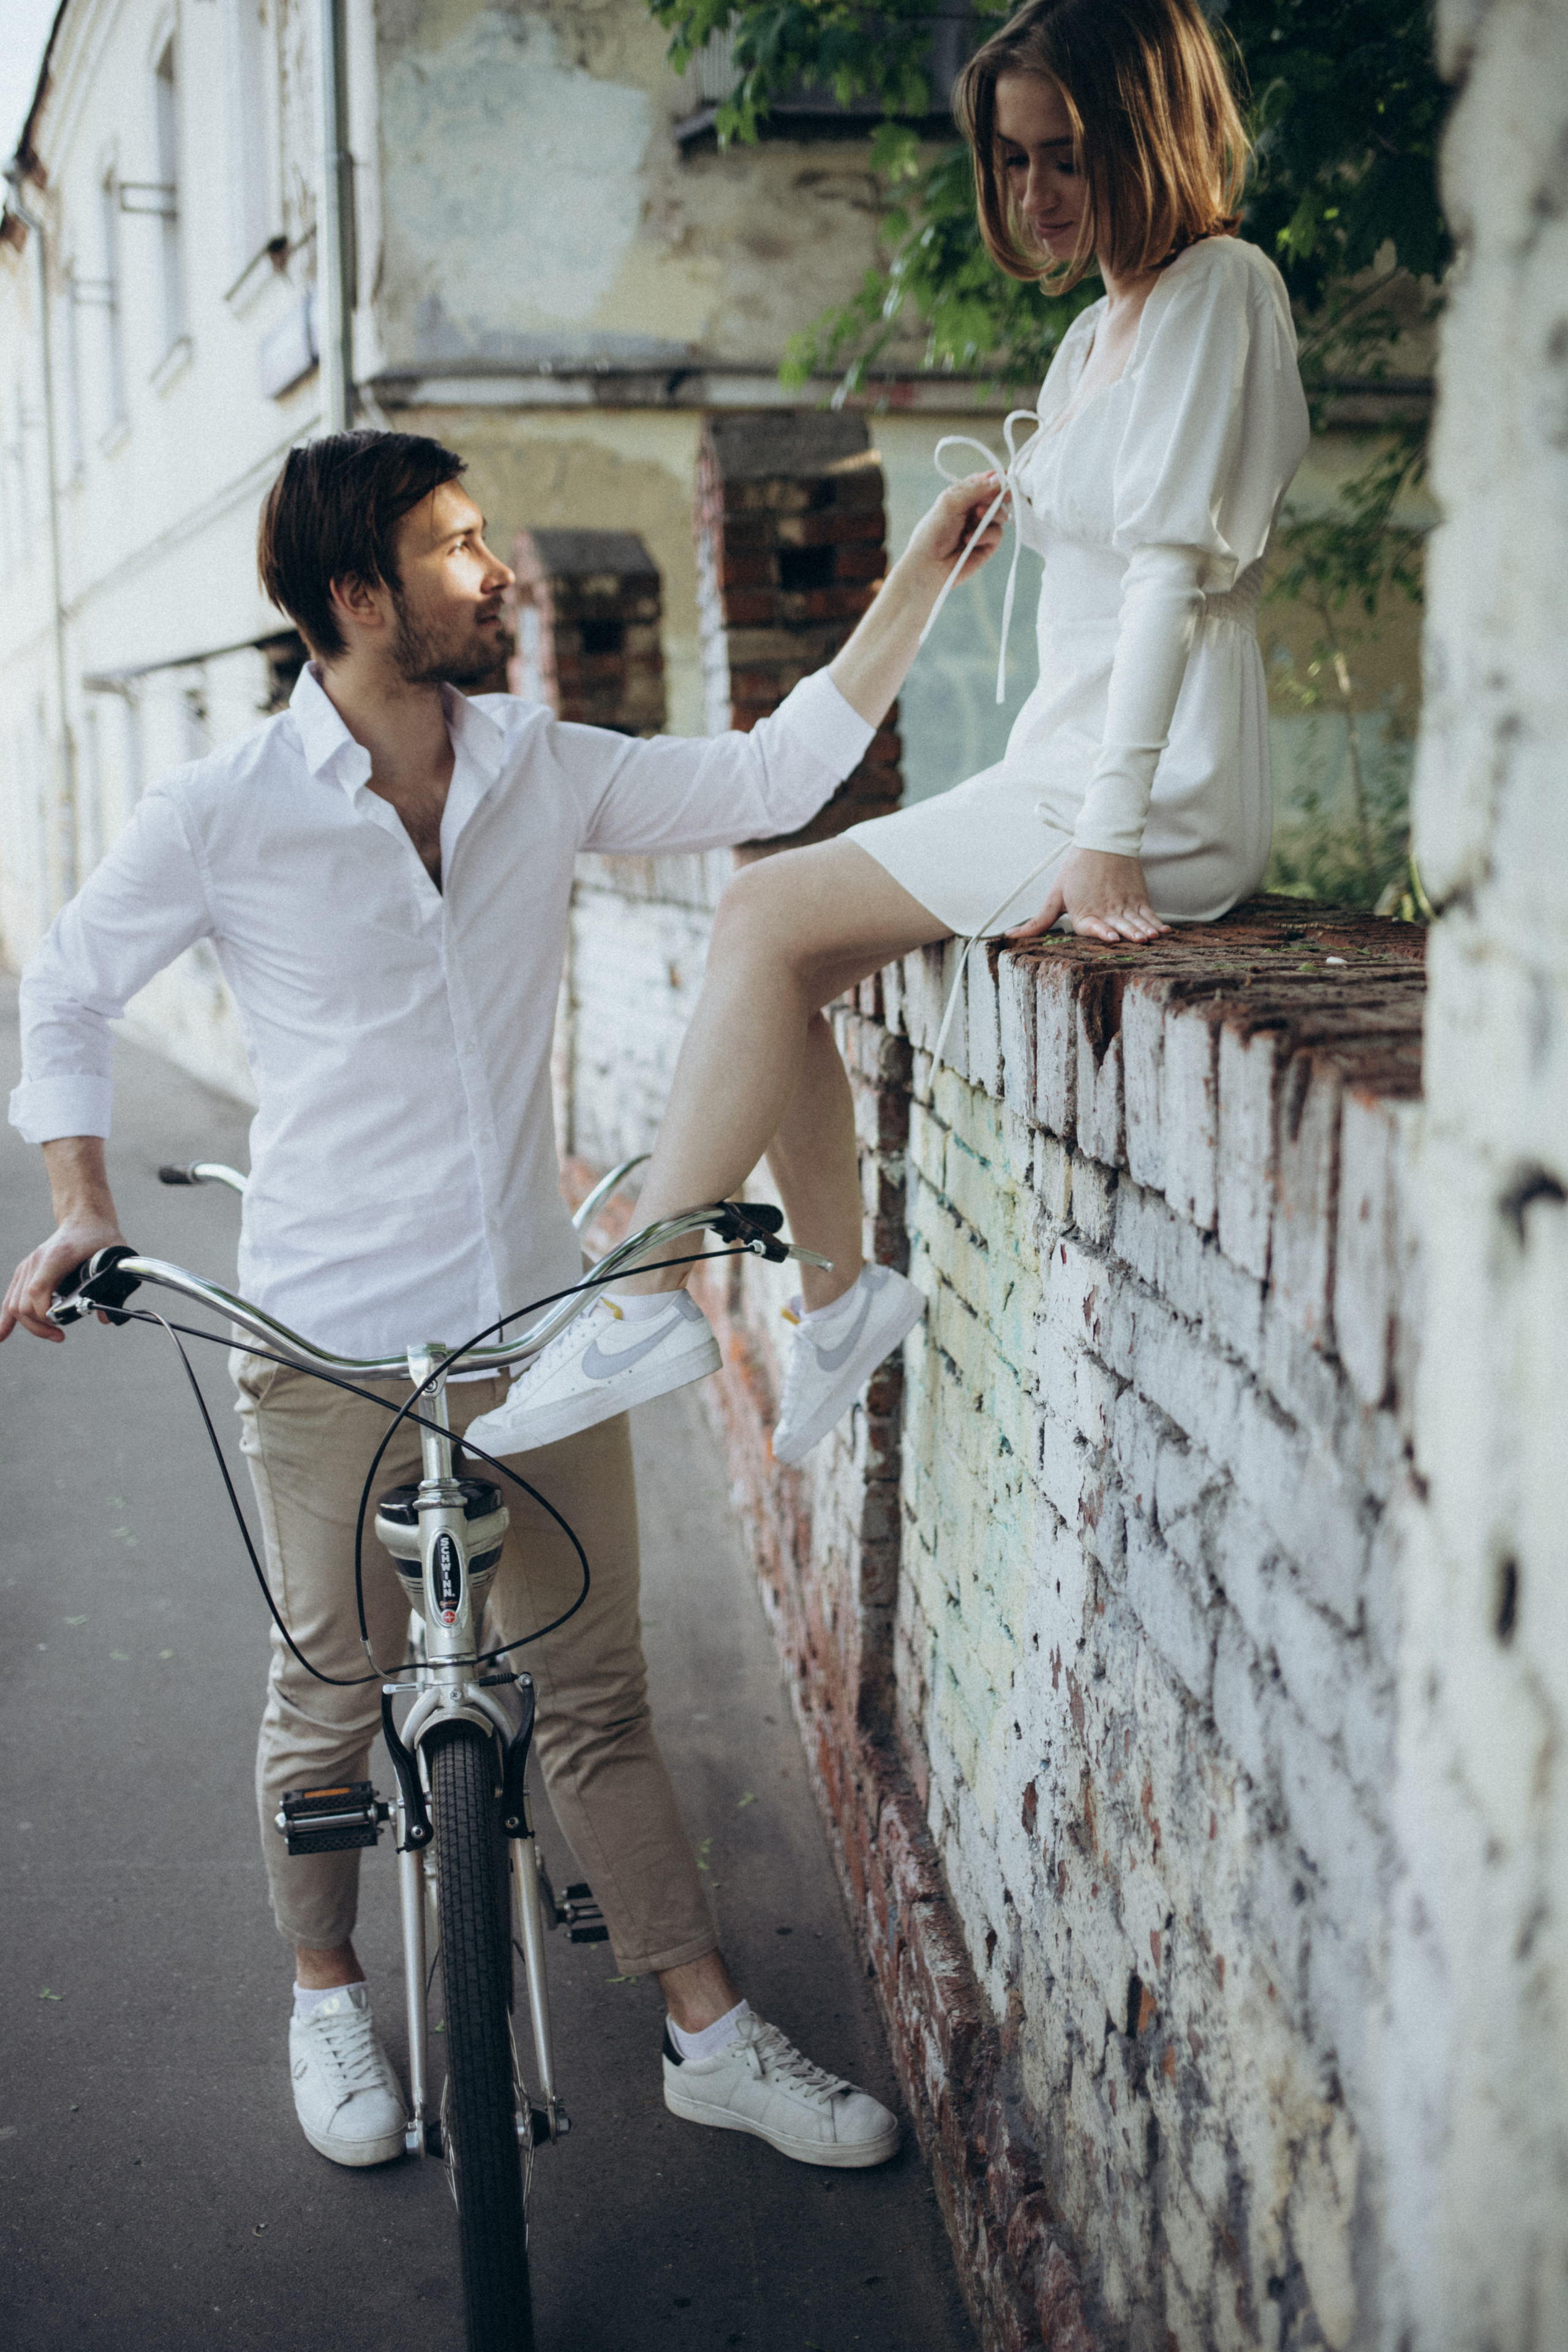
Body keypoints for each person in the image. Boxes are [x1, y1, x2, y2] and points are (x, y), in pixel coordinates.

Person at [2, 430, 1005, 2173]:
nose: (500, 570)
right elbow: (69, 992)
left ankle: (705, 2032)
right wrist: (81, 1206)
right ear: (356, 596)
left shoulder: (538, 761)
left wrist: (922, 571)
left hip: (536, 1334)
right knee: (329, 1688)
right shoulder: (221, 809)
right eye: (458, 547)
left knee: (597, 1697)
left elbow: (770, 778)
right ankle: (326, 1995)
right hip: (316, 1338)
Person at [461, 0, 1310, 1474]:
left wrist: (1110, 836)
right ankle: (841, 1300)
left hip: (1149, 776)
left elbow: (1170, 575)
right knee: (780, 955)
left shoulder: (1218, 288)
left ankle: (654, 1292)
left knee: (760, 905)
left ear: (1150, 132)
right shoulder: (1088, 338)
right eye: (1011, 159)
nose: (1036, 195)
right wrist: (978, 528)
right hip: (1061, 754)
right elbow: (1102, 550)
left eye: (1067, 156)